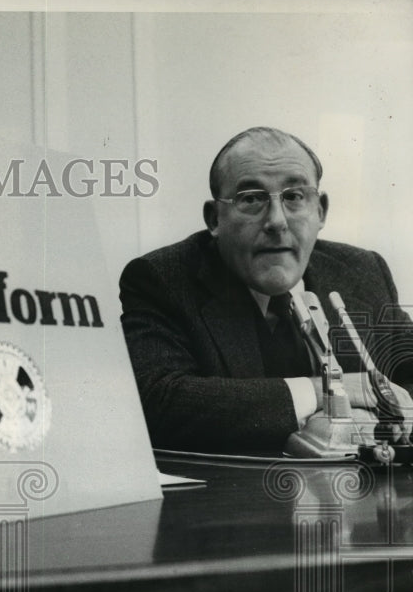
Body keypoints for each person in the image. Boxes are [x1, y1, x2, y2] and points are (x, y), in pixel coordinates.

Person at [119, 126, 413, 453]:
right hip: (230, 499)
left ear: (320, 211)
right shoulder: (162, 279)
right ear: (214, 219)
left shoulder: (361, 271)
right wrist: (323, 391)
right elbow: (157, 403)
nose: (276, 221)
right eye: (252, 199)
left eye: (294, 196)